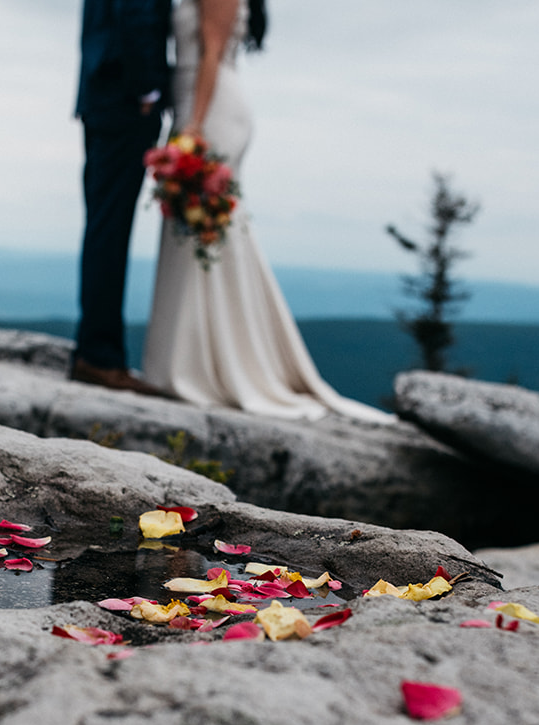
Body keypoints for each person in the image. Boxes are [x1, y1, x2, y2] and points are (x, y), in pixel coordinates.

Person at [142, 0, 393, 422]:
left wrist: (192, 129)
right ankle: (189, 361)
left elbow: (213, 51)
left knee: (209, 228)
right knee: (197, 230)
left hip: (210, 110)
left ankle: (210, 365)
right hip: (196, 105)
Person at [72, 0, 172, 396]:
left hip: (101, 95)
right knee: (109, 230)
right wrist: (146, 87)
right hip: (123, 99)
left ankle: (94, 348)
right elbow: (137, 11)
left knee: (102, 226)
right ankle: (98, 356)